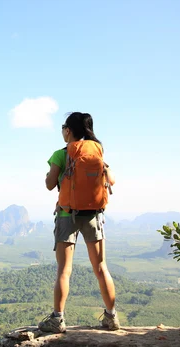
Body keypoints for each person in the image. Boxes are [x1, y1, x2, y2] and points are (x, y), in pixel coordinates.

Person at [38, 112, 120, 333]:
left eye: (64, 128)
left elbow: (49, 184)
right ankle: (111, 317)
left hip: (67, 215)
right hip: (94, 215)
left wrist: (52, 173)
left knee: (64, 271)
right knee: (101, 268)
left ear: (68, 130)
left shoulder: (61, 154)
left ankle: (57, 319)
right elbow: (111, 180)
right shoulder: (97, 152)